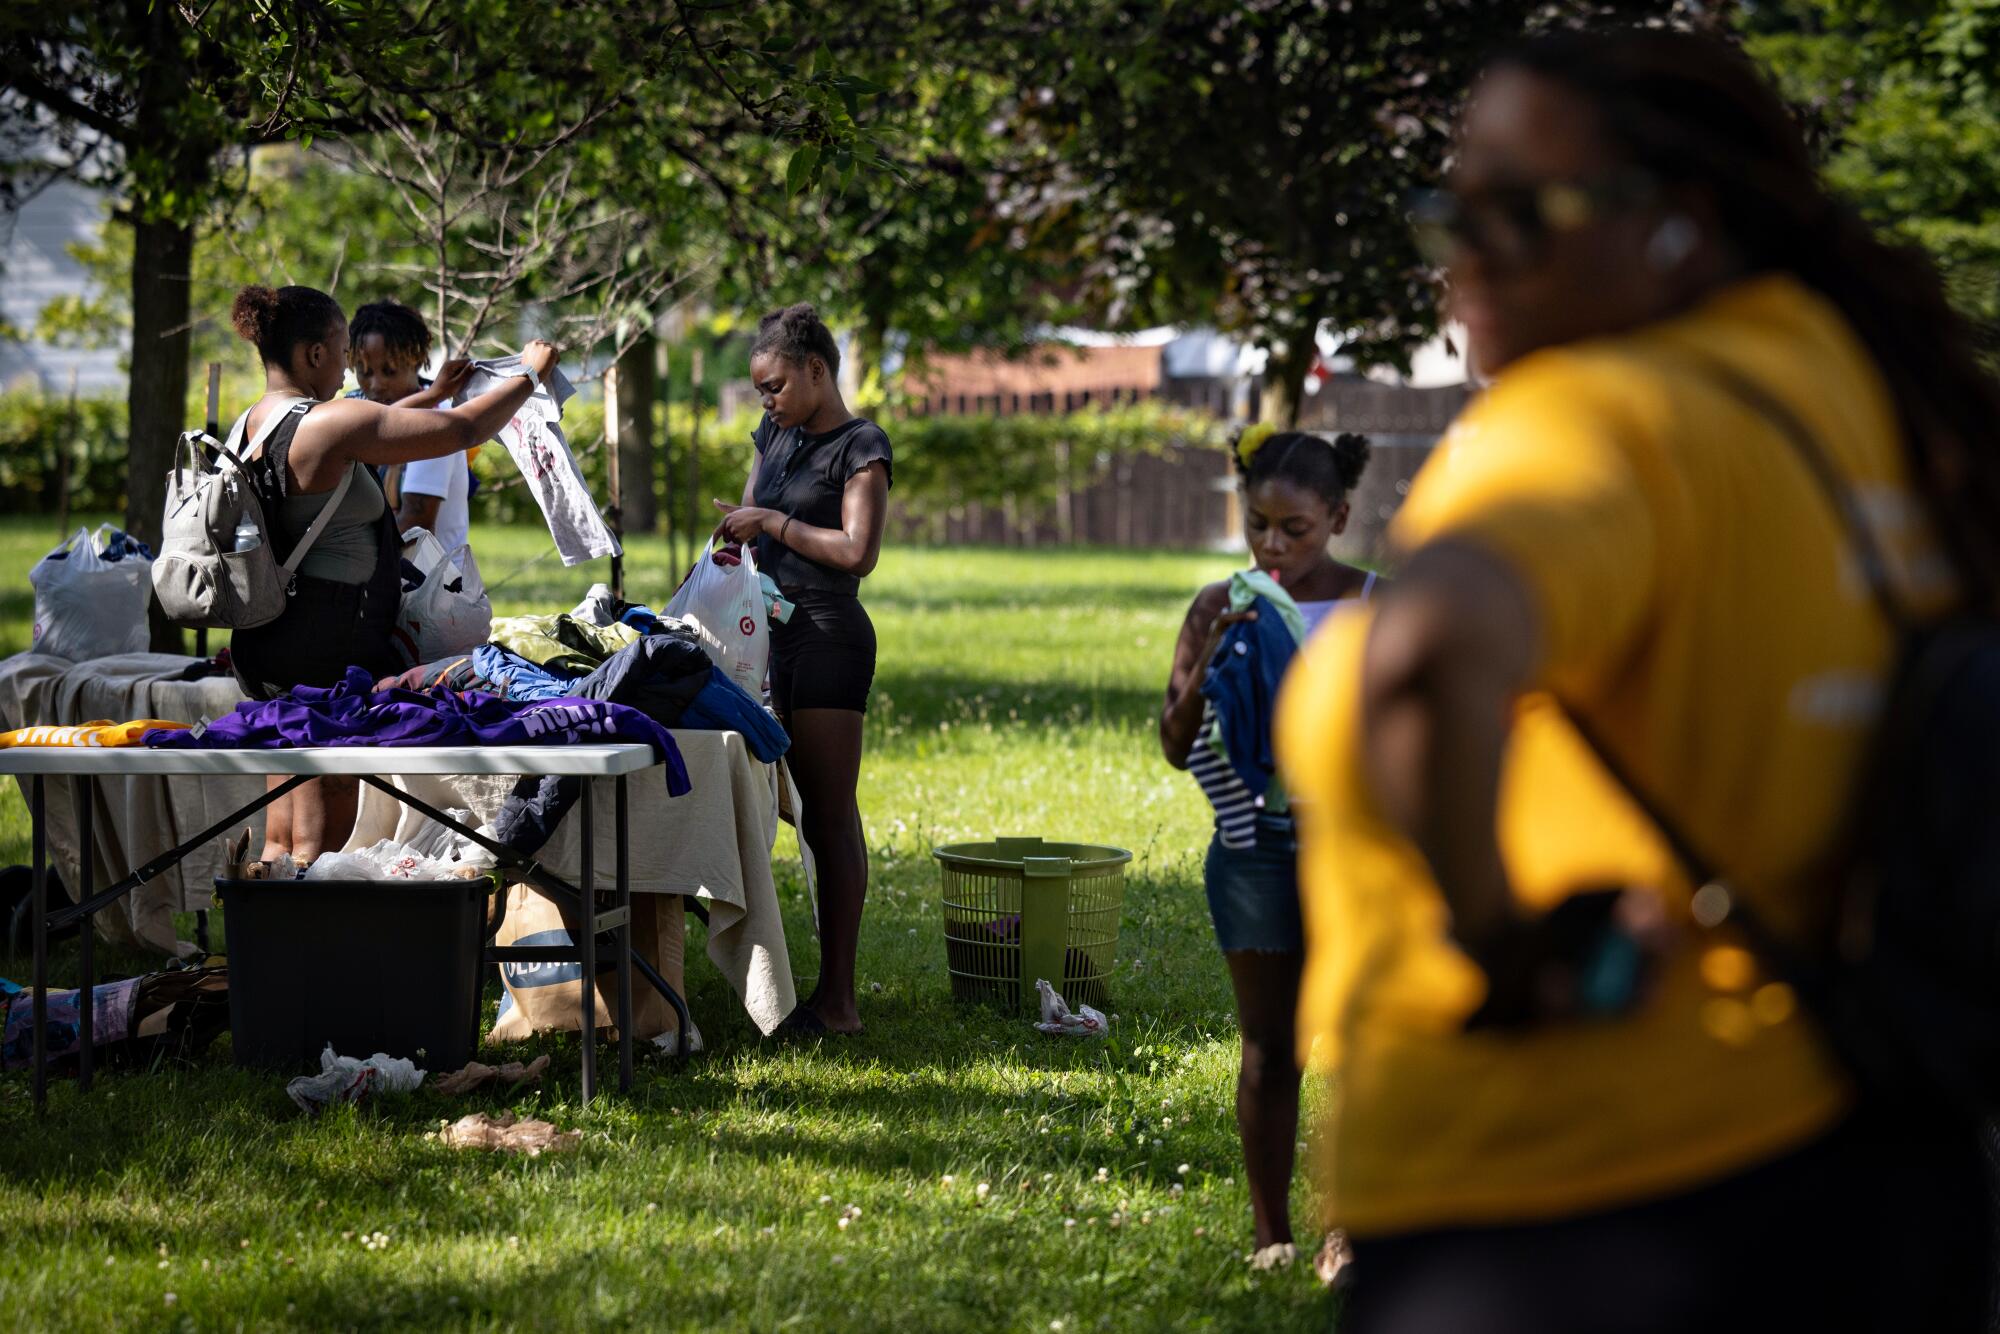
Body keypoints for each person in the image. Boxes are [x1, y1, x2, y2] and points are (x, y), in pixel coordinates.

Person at [1275, 28, 1991, 1332]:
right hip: (1858, 1162)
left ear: (1684, 221)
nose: (1468, 252)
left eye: (1525, 211)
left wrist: (1498, 939)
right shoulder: (1854, 378)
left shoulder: (1592, 423)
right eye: (1453, 209)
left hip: (1567, 1195)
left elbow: (1424, 662)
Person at [226, 283, 558, 865]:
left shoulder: (251, 424)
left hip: (267, 640)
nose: (351, 368)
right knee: (320, 828)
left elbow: (373, 422)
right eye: (342, 351)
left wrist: (436, 393)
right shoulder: (327, 423)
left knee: (280, 812)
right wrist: (528, 375)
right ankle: (316, 938)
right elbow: (461, 433)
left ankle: (267, 932)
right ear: (313, 356)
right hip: (324, 651)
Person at [1158, 429, 1372, 1271]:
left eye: (1297, 530)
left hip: (1355, 851)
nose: (1273, 548)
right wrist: (1214, 652)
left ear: (1341, 518)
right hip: (1253, 852)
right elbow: (1177, 745)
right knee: (1270, 1047)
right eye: (1258, 527)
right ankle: (1270, 1233)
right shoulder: (1219, 603)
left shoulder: (1374, 605)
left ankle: (1348, 1228)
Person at [712, 303, 891, 1035]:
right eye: (760, 389)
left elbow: (858, 552)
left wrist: (774, 526)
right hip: (768, 635)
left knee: (826, 810)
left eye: (777, 385)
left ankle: (838, 1000)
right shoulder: (777, 434)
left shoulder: (862, 446)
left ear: (817, 370)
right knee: (780, 806)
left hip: (827, 637)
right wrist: (735, 544)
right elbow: (754, 515)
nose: (768, 400)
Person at [347, 298, 483, 583]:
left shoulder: (436, 423)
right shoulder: (354, 407)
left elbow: (414, 527)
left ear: (417, 358)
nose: (375, 385)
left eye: (390, 370)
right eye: (364, 371)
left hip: (432, 590)